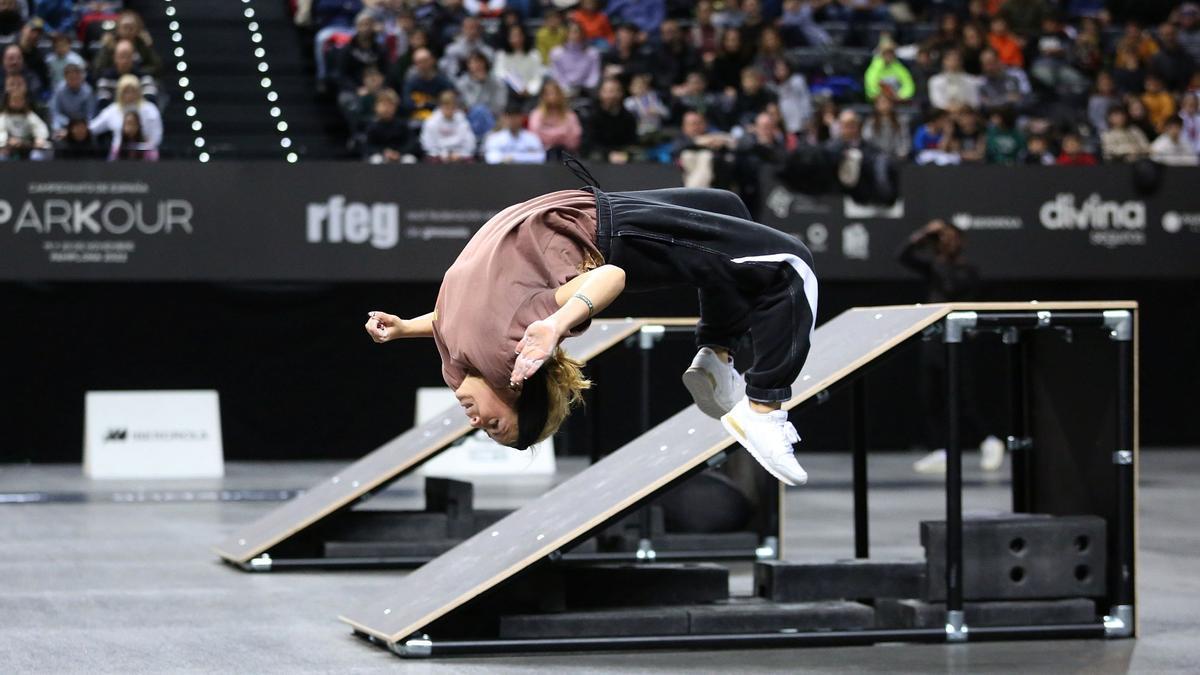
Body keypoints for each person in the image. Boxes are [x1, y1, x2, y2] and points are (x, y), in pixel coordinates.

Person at [364, 177, 817, 486]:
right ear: (518, 393)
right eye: (494, 425)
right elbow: (610, 278)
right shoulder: (510, 351)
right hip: (609, 232)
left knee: (727, 209)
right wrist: (555, 323)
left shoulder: (458, 367)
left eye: (483, 429)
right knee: (789, 265)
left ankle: (716, 356)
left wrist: (406, 328)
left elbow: (449, 318)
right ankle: (763, 406)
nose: (475, 421)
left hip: (580, 207)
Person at [898, 220, 1003, 475]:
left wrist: (941, 258)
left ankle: (989, 440)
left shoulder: (966, 270)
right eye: (942, 238)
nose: (946, 242)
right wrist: (922, 235)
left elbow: (951, 287)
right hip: (933, 340)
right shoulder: (934, 267)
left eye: (950, 237)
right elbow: (902, 256)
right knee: (930, 395)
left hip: (957, 340)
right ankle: (940, 450)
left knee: (961, 398)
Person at [88, 74, 162, 156]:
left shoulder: (150, 109)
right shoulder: (112, 110)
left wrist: (147, 150)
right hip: (118, 155)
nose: (130, 95)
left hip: (145, 154)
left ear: (139, 92)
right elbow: (92, 128)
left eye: (133, 91)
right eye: (126, 91)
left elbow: (157, 135)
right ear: (120, 93)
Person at [494, 23, 544, 104]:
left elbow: (537, 76)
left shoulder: (534, 55)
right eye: (513, 36)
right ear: (508, 38)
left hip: (529, 92)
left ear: (524, 36)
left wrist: (529, 89)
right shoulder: (502, 55)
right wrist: (516, 87)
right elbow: (499, 73)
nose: (516, 39)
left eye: (519, 35)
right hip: (509, 91)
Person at [419, 89, 476, 161]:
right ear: (440, 106)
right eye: (446, 107)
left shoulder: (462, 120)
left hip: (458, 155)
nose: (449, 111)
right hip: (438, 155)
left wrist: (460, 154)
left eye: (452, 108)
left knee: (470, 160)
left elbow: (470, 142)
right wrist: (443, 154)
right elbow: (428, 145)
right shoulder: (432, 122)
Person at [528, 79, 581, 154]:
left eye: (555, 93)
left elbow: (574, 139)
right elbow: (534, 137)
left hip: (565, 154)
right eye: (548, 93)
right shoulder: (536, 114)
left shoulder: (570, 115)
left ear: (561, 95)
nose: (552, 96)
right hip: (541, 155)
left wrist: (548, 133)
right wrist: (561, 133)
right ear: (543, 96)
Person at [363, 88, 414, 163]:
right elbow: (368, 146)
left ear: (395, 107)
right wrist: (383, 152)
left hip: (400, 155)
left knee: (409, 159)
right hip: (380, 155)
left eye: (390, 105)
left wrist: (399, 152)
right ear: (376, 107)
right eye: (383, 104)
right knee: (375, 160)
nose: (387, 108)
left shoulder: (402, 125)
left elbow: (411, 143)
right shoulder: (371, 126)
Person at [549, 21, 600, 96]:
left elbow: (594, 74)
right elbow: (557, 75)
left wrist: (585, 88)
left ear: (582, 34)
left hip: (586, 90)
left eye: (577, 32)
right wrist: (565, 88)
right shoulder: (556, 53)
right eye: (571, 32)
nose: (574, 35)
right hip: (562, 89)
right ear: (566, 34)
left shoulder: (592, 53)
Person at [0, 87, 49, 159]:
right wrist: (6, 142)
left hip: (28, 146)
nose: (17, 103)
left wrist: (39, 138)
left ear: (24, 102)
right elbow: (1, 131)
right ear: (8, 102)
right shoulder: (4, 117)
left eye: (20, 100)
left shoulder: (30, 115)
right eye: (14, 100)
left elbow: (40, 128)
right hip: (8, 147)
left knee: (37, 156)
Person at [863, 36, 915, 102]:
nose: (889, 55)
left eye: (891, 53)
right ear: (882, 54)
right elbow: (870, 84)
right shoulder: (875, 67)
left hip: (896, 99)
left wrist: (901, 96)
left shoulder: (899, 67)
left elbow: (908, 84)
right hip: (879, 100)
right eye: (886, 53)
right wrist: (881, 95)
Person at [49, 62, 95, 133]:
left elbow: (90, 114)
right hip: (64, 124)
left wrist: (80, 126)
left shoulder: (88, 91)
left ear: (81, 77)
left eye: (76, 78)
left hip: (82, 126)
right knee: (55, 127)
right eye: (71, 78)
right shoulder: (59, 90)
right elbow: (55, 112)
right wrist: (68, 124)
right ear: (65, 78)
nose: (74, 81)